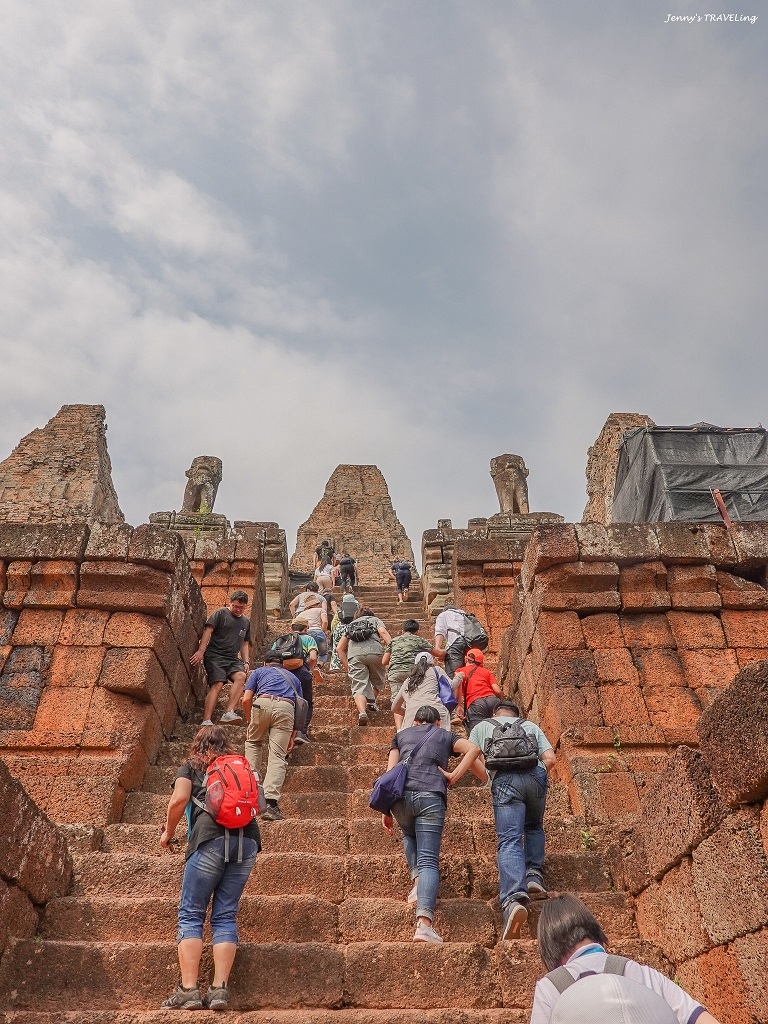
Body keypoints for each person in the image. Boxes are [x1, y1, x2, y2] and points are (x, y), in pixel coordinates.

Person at [160, 725, 260, 1011]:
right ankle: (218, 990)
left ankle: (188, 990)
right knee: (225, 913)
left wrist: (168, 832)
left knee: (191, 913)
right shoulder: (241, 766)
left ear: (198, 745)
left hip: (209, 839)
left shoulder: (191, 767)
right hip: (247, 841)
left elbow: (179, 799)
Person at [531, 894, 722, 1024]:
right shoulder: (642, 973)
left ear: (549, 949)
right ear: (594, 931)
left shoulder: (549, 988)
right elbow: (698, 1017)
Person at [381, 705, 483, 943]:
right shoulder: (445, 735)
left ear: (415, 722)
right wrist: (453, 776)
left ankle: (418, 885)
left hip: (400, 798)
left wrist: (385, 809)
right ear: (438, 722)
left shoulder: (401, 735)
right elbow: (474, 749)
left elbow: (390, 772)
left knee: (409, 834)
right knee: (428, 860)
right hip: (430, 795)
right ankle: (424, 925)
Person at [469, 700, 555, 940]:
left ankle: (513, 899)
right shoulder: (530, 725)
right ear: (517, 714)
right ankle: (534, 875)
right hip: (535, 777)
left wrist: (489, 778)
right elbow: (550, 758)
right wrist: (538, 775)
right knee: (534, 826)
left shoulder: (483, 726)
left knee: (509, 839)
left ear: (495, 713)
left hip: (504, 780)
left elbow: (471, 756)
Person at [242, 651, 300, 821]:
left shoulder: (259, 672)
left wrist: (249, 720)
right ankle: (270, 803)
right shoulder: (293, 678)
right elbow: (300, 708)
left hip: (262, 703)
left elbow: (246, 699)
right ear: (283, 665)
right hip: (286, 708)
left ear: (265, 663)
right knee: (278, 756)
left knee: (253, 743)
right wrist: (293, 734)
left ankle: (251, 791)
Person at [190, 591, 251, 727]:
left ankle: (229, 712)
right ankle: (206, 719)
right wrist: (201, 651)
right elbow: (208, 631)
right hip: (215, 655)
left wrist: (246, 661)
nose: (238, 610)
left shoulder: (245, 622)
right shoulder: (221, 613)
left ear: (246, 606)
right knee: (217, 684)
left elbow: (244, 643)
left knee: (241, 676)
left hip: (232, 658)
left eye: (241, 608)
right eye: (235, 606)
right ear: (230, 603)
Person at [336, 606, 391, 726]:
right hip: (375, 653)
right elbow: (383, 632)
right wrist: (393, 648)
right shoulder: (374, 620)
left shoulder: (350, 625)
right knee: (378, 680)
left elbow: (339, 648)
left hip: (355, 655)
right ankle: (371, 702)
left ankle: (362, 712)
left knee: (359, 685)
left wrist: (348, 667)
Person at [381, 619, 442, 703]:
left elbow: (384, 661)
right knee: (414, 697)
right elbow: (438, 653)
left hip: (395, 673)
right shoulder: (419, 640)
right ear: (417, 632)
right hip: (413, 672)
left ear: (402, 631)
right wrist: (445, 652)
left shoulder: (393, 641)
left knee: (397, 700)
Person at [279, 617, 318, 744]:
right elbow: (313, 658)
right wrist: (307, 668)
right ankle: (301, 732)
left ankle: (283, 733)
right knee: (305, 703)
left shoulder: (282, 639)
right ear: (306, 629)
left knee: (286, 701)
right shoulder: (309, 639)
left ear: (291, 628)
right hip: (302, 673)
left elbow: (271, 658)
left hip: (283, 674)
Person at [392, 652, 452, 731]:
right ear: (432, 664)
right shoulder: (436, 670)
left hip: (413, 717)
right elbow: (452, 685)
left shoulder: (408, 681)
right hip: (436, 712)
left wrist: (410, 712)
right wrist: (459, 676)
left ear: (415, 666)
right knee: (442, 737)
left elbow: (394, 707)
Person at [453, 648, 503, 734]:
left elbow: (457, 690)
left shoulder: (460, 671)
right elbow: (497, 691)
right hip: (493, 700)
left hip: (476, 703)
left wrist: (459, 706)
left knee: (477, 734)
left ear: (466, 659)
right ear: (481, 663)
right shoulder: (486, 672)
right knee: (500, 730)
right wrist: (502, 702)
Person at [289, 583, 329, 663]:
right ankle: (320, 664)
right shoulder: (321, 606)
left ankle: (308, 666)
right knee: (323, 654)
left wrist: (294, 617)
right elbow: (325, 621)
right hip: (318, 632)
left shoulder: (302, 612)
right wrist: (323, 632)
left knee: (306, 653)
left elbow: (291, 604)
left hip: (305, 633)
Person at [434, 603, 471, 676]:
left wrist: (437, 648)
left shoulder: (443, 615)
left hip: (456, 643)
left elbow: (440, 631)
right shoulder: (464, 615)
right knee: (468, 673)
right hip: (470, 643)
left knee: (454, 674)